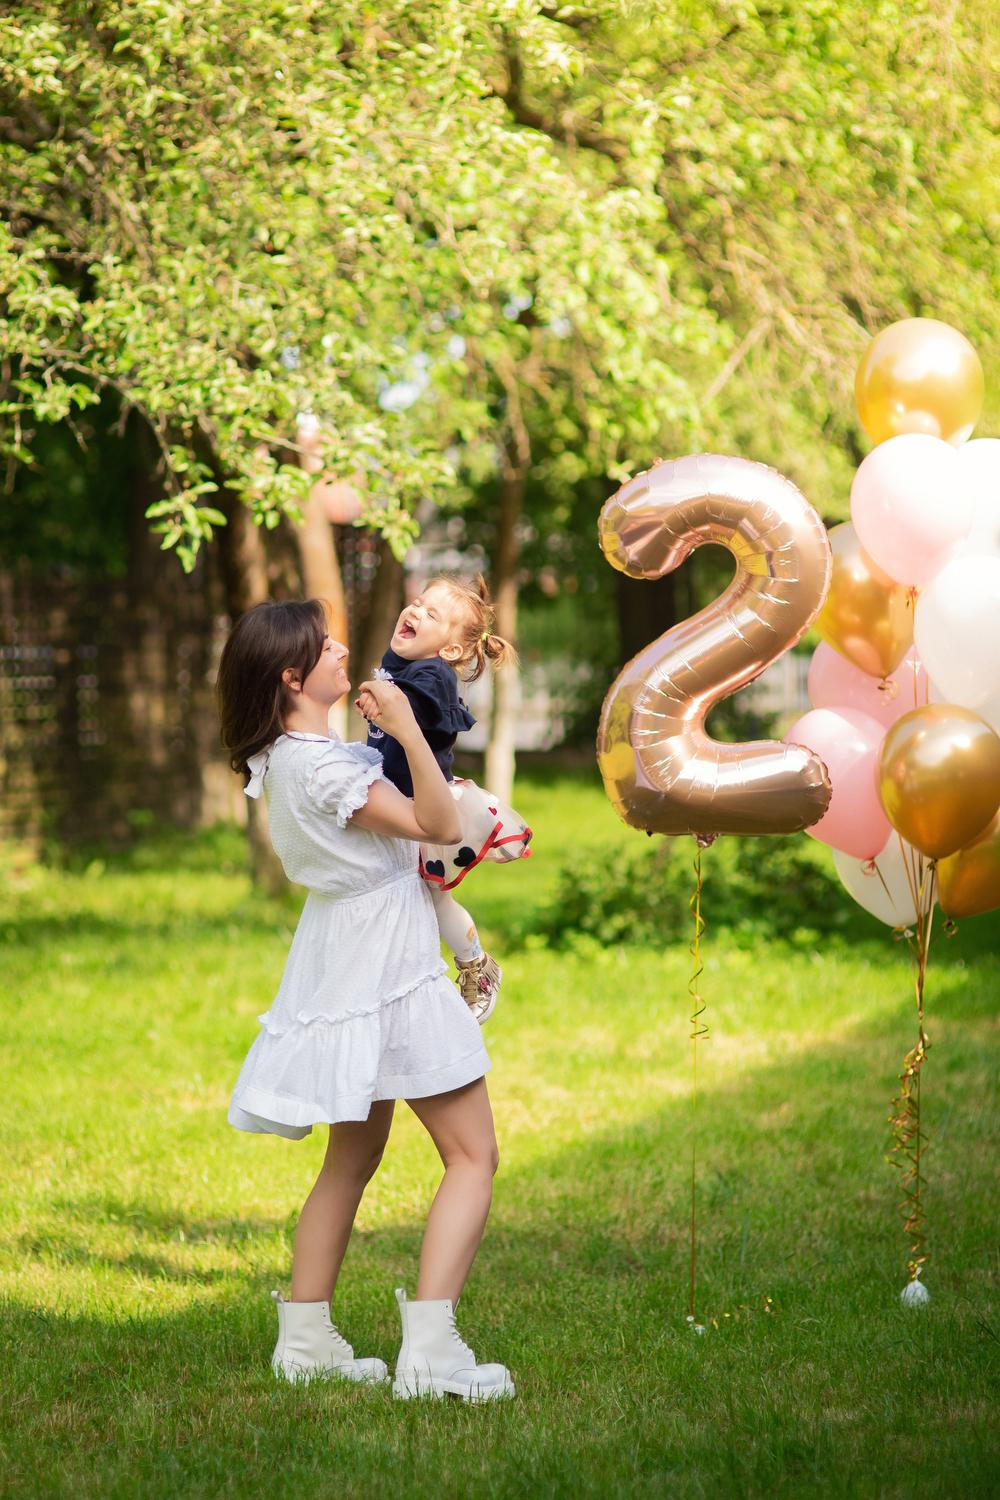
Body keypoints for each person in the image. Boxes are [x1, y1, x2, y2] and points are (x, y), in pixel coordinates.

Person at [217, 599, 514, 1402]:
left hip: (343, 961)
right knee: (473, 1155)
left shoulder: (292, 758)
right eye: (325, 647)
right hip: (386, 964)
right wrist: (412, 732)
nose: (343, 649)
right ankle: (432, 1354)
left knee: (350, 1160)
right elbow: (436, 824)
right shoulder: (328, 770)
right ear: (293, 676)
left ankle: (305, 1342)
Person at [366, 574, 532, 1024]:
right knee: (411, 897)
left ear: (451, 650)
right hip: (399, 802)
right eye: (418, 603)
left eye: (431, 613)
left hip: (425, 807)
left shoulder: (434, 676)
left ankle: (477, 965)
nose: (415, 611)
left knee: (434, 898)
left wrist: (384, 698)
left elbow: (420, 711)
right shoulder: (408, 662)